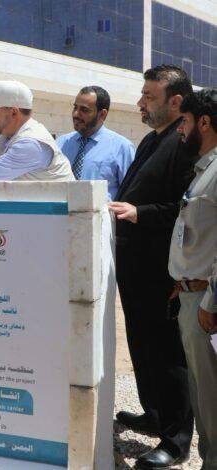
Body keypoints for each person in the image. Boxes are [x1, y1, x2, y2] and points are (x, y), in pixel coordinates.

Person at [108, 64, 196, 469]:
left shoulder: (186, 142)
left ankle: (176, 440)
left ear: (175, 101)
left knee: (167, 353)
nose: (140, 103)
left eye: (149, 96)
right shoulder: (151, 139)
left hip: (163, 270)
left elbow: (186, 209)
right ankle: (154, 414)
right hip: (135, 267)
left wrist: (140, 213)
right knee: (142, 346)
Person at [168, 88, 217, 469]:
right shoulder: (204, 169)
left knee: (212, 400)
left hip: (206, 304)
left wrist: (210, 302)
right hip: (191, 295)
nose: (179, 129)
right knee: (204, 398)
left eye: (184, 121)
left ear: (204, 122)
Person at [57, 86, 135, 200]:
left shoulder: (122, 148)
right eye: (75, 107)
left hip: (102, 211)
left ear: (102, 114)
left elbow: (131, 194)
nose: (76, 114)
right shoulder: (61, 143)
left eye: (84, 110)